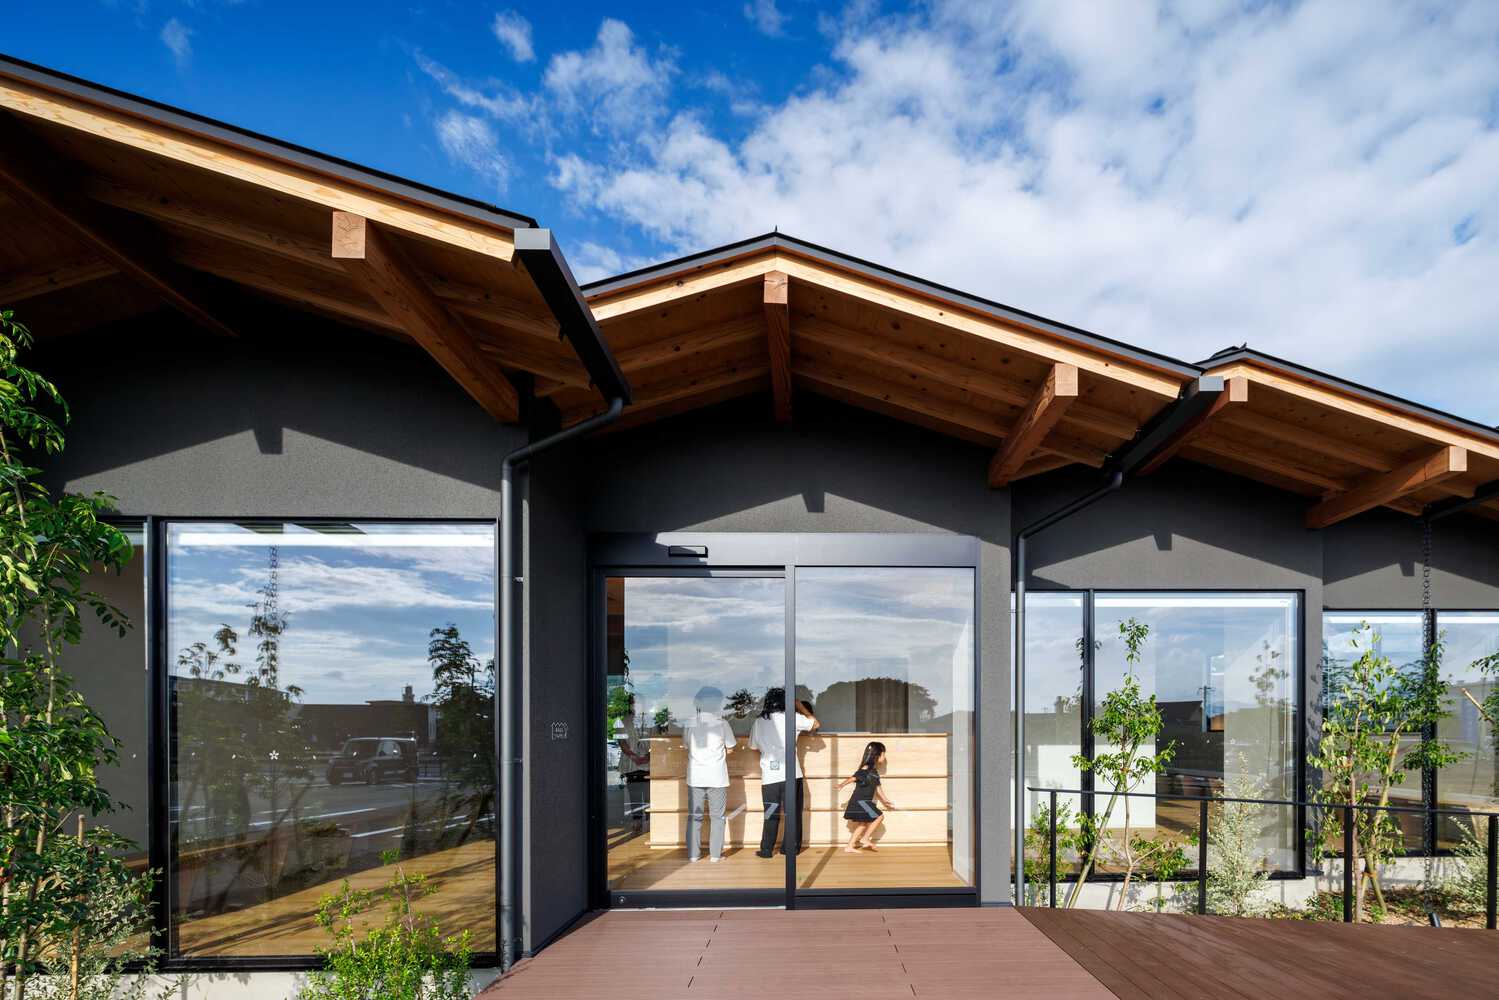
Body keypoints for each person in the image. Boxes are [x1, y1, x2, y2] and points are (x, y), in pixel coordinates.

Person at [749, 687, 819, 858]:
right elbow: (815, 724)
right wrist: (800, 706)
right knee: (792, 813)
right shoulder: (792, 717)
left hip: (770, 775)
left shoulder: (759, 722)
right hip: (791, 774)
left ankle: (766, 850)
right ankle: (789, 849)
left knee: (770, 813)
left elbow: (753, 746)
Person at [680, 686, 734, 863]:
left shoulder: (689, 723)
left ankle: (693, 855)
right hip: (717, 776)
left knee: (694, 816)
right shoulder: (722, 724)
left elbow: (686, 746)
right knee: (717, 817)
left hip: (695, 776)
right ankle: (716, 856)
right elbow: (731, 747)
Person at [839, 741, 895, 853]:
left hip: (863, 801)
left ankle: (849, 846)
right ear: (876, 755)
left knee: (863, 824)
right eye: (883, 755)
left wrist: (885, 800)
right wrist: (842, 784)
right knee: (879, 817)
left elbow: (878, 789)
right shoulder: (866, 769)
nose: (884, 758)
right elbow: (854, 778)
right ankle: (865, 839)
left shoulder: (874, 772)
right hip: (861, 801)